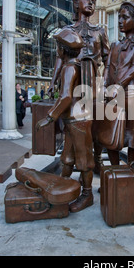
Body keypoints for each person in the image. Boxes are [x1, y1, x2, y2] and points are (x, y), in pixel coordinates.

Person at [37, 29, 95, 213]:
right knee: (67, 157)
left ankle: (87, 195)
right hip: (74, 119)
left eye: (57, 47)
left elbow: (66, 97)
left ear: (63, 49)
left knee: (84, 160)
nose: (56, 51)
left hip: (78, 119)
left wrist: (49, 117)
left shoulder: (70, 68)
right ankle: (63, 187)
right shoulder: (76, 65)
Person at [101, 1, 134, 165]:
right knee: (110, 131)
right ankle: (114, 172)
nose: (120, 21)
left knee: (131, 135)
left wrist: (117, 86)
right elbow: (107, 67)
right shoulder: (114, 45)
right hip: (111, 94)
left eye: (124, 17)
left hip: (130, 94)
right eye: (119, 17)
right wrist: (104, 86)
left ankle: (131, 170)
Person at [48, 0, 110, 97]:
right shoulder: (67, 30)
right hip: (71, 77)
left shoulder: (100, 31)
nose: (90, 3)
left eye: (93, 2)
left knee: (92, 110)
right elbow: (60, 58)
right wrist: (53, 82)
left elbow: (108, 60)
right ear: (76, 3)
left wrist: (104, 84)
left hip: (93, 79)